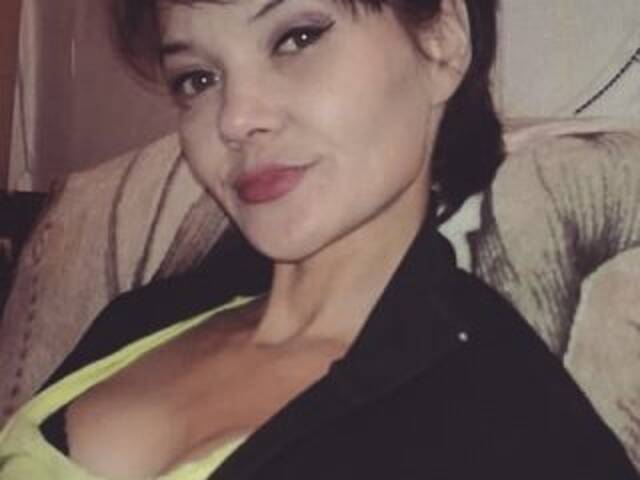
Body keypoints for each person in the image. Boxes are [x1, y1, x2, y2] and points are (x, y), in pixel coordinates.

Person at [0, 0, 637, 478]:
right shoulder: (140, 315)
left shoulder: (508, 419)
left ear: (441, 42)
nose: (236, 119)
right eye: (198, 77)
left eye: (296, 38)